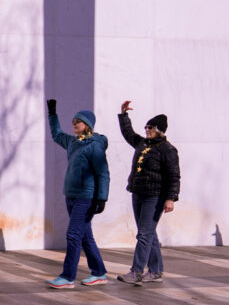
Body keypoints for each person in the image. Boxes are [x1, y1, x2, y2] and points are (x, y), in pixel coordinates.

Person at [46, 100, 110, 289]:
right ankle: (98, 273)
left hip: (86, 196)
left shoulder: (94, 145)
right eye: (73, 121)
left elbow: (103, 173)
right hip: (71, 195)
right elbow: (57, 135)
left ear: (87, 125)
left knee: (73, 234)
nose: (74, 123)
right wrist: (52, 114)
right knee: (84, 236)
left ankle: (67, 277)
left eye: (78, 121)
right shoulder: (74, 142)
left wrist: (101, 198)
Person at [115, 102, 180, 286]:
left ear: (158, 129)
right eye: (145, 127)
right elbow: (129, 134)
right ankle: (156, 271)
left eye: (149, 127)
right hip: (138, 194)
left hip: (155, 197)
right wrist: (124, 116)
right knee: (148, 233)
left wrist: (170, 198)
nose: (146, 129)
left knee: (144, 234)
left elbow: (173, 176)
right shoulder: (142, 143)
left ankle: (136, 272)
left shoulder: (168, 150)